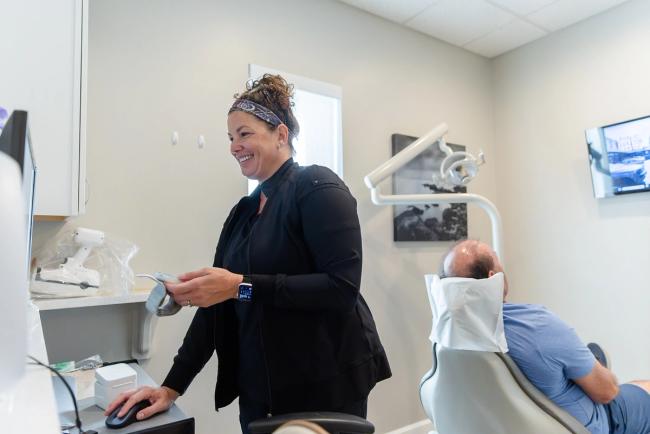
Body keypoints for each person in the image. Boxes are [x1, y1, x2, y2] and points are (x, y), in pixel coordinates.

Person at [105, 74, 391, 433]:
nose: (234, 146)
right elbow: (217, 308)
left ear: (281, 135)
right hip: (262, 391)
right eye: (230, 137)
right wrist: (170, 387)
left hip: (324, 383)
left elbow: (340, 289)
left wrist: (239, 285)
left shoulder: (318, 186)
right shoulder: (243, 213)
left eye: (244, 134)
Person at [439, 239, 650, 434]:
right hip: (584, 424)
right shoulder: (537, 326)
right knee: (641, 385)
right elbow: (607, 392)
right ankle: (590, 364)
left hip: (507, 424)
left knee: (567, 364)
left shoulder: (446, 338)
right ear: (493, 278)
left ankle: (586, 362)